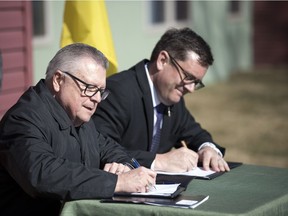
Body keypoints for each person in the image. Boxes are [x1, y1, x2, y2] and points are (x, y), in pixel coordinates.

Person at [0, 43, 156, 216]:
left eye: (101, 91)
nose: (97, 98)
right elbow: (43, 173)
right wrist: (116, 182)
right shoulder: (23, 120)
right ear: (59, 80)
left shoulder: (80, 118)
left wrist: (124, 166)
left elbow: (109, 148)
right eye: (90, 88)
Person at [93, 27, 230, 173]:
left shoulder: (172, 97)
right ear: (162, 60)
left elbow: (195, 133)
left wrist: (207, 148)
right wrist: (158, 161)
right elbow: (98, 148)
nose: (190, 89)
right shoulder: (119, 91)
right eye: (188, 77)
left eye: (196, 83)